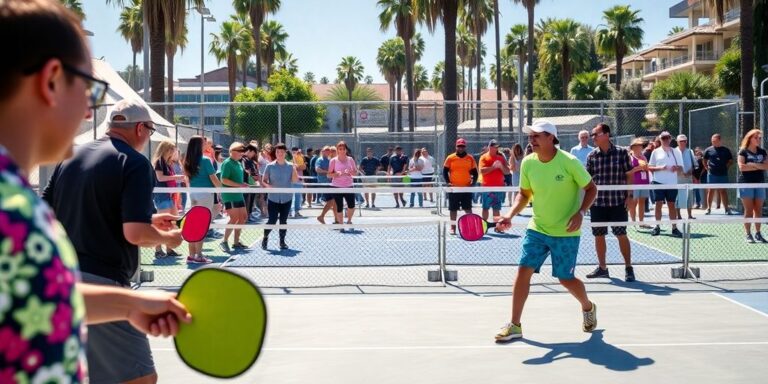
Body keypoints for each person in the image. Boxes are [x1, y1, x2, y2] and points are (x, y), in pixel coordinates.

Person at [3, 3, 191, 383]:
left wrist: (130, 305)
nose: (90, 113)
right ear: (52, 80)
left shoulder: (18, 198)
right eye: (89, 89)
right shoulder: (9, 205)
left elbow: (42, 297)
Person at [44, 96, 191, 383]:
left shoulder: (68, 156)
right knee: (140, 378)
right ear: (140, 130)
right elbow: (134, 234)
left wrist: (149, 221)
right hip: (103, 283)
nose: (149, 137)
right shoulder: (135, 163)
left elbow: (50, 214)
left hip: (59, 285)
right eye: (149, 131)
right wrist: (167, 238)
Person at [494, 120, 598, 341]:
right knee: (523, 271)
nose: (531, 140)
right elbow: (524, 194)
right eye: (530, 136)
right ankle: (515, 325)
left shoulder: (569, 162)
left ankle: (587, 307)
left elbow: (591, 189)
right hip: (537, 229)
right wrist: (509, 215)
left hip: (566, 232)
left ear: (551, 138)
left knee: (565, 278)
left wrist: (580, 213)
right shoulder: (528, 163)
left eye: (537, 136)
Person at [583, 124, 635, 282]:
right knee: (599, 236)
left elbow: (629, 175)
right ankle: (603, 268)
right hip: (598, 203)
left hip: (618, 202)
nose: (593, 137)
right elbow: (587, 180)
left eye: (595, 134)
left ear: (606, 134)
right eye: (592, 135)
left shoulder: (622, 153)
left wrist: (629, 195)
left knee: (621, 234)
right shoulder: (592, 156)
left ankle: (628, 267)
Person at [184, 136, 223, 263]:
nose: (207, 144)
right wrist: (223, 191)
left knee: (194, 224)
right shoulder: (206, 160)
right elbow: (213, 179)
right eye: (204, 143)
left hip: (194, 194)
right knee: (201, 225)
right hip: (205, 194)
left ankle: (191, 255)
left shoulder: (188, 160)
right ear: (199, 146)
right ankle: (199, 256)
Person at [261, 143, 299, 250]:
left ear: (285, 153)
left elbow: (295, 180)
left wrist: (294, 168)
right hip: (273, 198)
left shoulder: (290, 166)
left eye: (282, 152)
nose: (280, 154)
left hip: (287, 198)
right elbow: (264, 181)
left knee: (283, 221)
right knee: (272, 220)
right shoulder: (270, 166)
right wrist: (268, 186)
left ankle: (282, 242)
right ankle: (265, 237)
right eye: (278, 152)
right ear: (275, 153)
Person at [648, 131, 683, 237]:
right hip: (658, 182)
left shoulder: (676, 152)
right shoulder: (655, 152)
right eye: (663, 138)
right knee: (658, 204)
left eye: (667, 138)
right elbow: (650, 167)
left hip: (672, 183)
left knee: (671, 205)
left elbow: (681, 168)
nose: (666, 140)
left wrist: (676, 168)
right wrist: (661, 168)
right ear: (660, 140)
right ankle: (657, 226)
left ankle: (674, 228)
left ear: (670, 139)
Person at [737, 129, 768, 243]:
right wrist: (759, 165)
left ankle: (758, 233)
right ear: (750, 138)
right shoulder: (743, 152)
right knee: (749, 210)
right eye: (756, 137)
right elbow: (742, 167)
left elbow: (766, 167)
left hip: (760, 182)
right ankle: (748, 234)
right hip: (746, 183)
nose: (758, 140)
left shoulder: (762, 151)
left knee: (758, 210)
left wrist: (753, 164)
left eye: (760, 138)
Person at [219, 142, 250, 253]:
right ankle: (224, 241)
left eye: (243, 151)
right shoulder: (227, 163)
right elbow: (224, 180)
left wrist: (245, 184)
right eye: (240, 151)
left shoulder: (238, 163)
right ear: (232, 152)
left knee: (243, 217)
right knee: (234, 218)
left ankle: (236, 242)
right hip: (229, 194)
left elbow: (239, 179)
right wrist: (240, 185)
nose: (242, 153)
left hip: (238, 194)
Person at [443, 138, 479, 235]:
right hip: (454, 188)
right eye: (459, 146)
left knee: (468, 209)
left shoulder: (470, 158)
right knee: (453, 209)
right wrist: (448, 182)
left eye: (462, 146)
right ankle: (453, 228)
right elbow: (445, 171)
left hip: (466, 188)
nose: (461, 148)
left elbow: (475, 173)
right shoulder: (450, 158)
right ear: (456, 147)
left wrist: (473, 183)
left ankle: (470, 228)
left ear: (465, 147)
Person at [329, 141, 358, 229]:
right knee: (339, 206)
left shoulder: (350, 159)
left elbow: (355, 173)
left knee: (351, 205)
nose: (342, 151)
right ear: (337, 150)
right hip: (336, 186)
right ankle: (341, 224)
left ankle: (349, 221)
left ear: (346, 150)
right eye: (340, 149)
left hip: (349, 185)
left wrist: (351, 172)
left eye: (343, 149)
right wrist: (336, 174)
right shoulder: (333, 160)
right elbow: (329, 174)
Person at [703, 133, 734, 215]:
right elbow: (704, 160)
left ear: (720, 141)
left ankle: (727, 209)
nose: (713, 142)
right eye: (712, 141)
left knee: (723, 191)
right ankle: (708, 208)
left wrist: (726, 167)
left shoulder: (726, 150)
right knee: (711, 190)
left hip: (723, 174)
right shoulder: (708, 150)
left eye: (715, 141)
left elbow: (730, 161)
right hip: (712, 174)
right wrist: (706, 167)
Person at [479, 139, 508, 222]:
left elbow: (507, 171)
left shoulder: (501, 158)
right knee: (485, 208)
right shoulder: (484, 157)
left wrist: (501, 166)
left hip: (499, 187)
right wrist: (493, 167)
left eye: (496, 147)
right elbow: (482, 171)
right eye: (493, 146)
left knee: (496, 208)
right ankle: (484, 225)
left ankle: (497, 226)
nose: (495, 148)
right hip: (487, 187)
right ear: (489, 147)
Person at [627, 139, 651, 228]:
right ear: (633, 147)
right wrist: (639, 168)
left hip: (644, 182)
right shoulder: (630, 157)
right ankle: (633, 222)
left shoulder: (643, 157)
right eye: (637, 146)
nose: (639, 147)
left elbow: (647, 169)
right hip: (634, 183)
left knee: (642, 201)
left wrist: (645, 167)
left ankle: (641, 222)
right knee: (634, 202)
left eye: (640, 146)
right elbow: (629, 171)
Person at [675, 134, 697, 220]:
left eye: (684, 141)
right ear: (677, 142)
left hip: (688, 177)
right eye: (681, 141)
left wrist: (689, 172)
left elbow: (694, 164)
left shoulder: (690, 151)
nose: (683, 143)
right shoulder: (674, 151)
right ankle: (678, 215)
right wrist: (679, 172)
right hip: (677, 177)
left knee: (689, 196)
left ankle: (690, 215)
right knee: (678, 196)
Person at [241, 143, 260, 222]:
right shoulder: (243, 159)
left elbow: (253, 171)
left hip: (252, 184)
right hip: (246, 183)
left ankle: (249, 215)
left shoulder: (251, 160)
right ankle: (245, 217)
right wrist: (253, 176)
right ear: (249, 151)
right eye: (253, 153)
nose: (253, 155)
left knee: (251, 200)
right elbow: (247, 171)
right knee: (246, 200)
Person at [290, 147, 306, 218]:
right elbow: (290, 167)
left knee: (298, 196)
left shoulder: (300, 158)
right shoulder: (288, 157)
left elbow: (303, 167)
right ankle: (289, 212)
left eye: (296, 151)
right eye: (293, 151)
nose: (294, 153)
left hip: (299, 179)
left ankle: (297, 212)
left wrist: (295, 166)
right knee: (289, 196)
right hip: (290, 180)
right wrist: (294, 166)